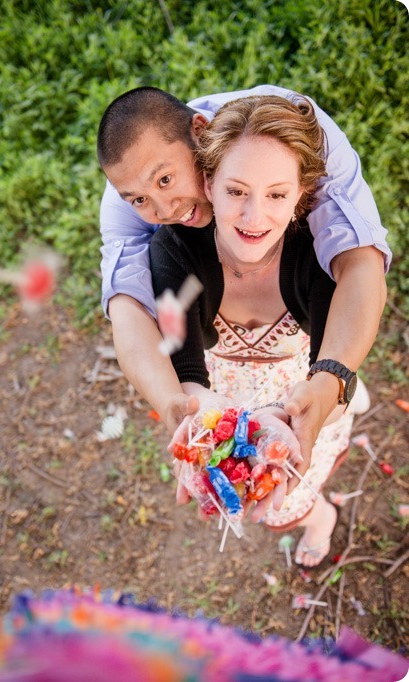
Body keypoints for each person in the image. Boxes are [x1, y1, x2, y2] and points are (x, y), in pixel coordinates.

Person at [97, 84, 389, 490]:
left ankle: (342, 385)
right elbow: (127, 308)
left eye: (166, 180)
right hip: (225, 368)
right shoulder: (143, 219)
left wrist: (331, 379)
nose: (164, 213)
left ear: (200, 134)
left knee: (331, 365)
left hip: (301, 344)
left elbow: (359, 264)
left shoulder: (309, 149)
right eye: (139, 200)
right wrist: (175, 405)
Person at [149, 94, 362, 567]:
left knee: (288, 495)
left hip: (303, 401)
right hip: (219, 396)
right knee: (243, 484)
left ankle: (320, 516)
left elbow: (332, 362)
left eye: (276, 195)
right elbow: (180, 355)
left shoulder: (316, 254)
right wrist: (202, 407)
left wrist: (287, 421)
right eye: (236, 191)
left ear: (301, 193)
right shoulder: (174, 250)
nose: (253, 217)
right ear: (208, 182)